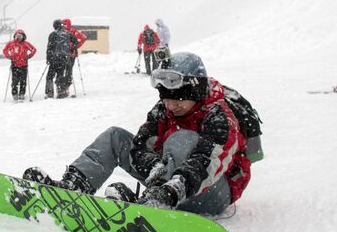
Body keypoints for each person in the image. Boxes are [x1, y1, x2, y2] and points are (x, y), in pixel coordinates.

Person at [23, 52, 252, 216]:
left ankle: (158, 201)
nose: (171, 105)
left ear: (196, 92)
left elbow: (207, 162)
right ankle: (74, 185)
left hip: (211, 194)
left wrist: (172, 189)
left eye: (178, 99)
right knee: (116, 137)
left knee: (182, 140)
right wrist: (156, 170)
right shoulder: (164, 109)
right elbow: (140, 146)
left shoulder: (220, 116)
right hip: (165, 186)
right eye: (166, 97)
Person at [45, 19, 78, 99]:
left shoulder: (53, 34)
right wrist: (72, 49)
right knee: (60, 75)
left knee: (50, 76)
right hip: (64, 58)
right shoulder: (68, 33)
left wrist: (48, 58)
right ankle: (61, 93)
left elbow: (49, 47)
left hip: (54, 58)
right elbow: (76, 41)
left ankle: (50, 94)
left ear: (54, 26)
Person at [2, 29, 37, 101]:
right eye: (17, 36)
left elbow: (34, 49)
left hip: (24, 65)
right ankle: (15, 95)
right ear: (15, 36)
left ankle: (22, 94)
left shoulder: (26, 44)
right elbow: (5, 50)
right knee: (14, 81)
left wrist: (29, 56)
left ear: (23, 36)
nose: (19, 37)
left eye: (20, 36)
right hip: (14, 65)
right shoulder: (11, 43)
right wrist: (9, 56)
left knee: (23, 81)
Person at [61, 19, 87, 97]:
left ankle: (66, 87)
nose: (63, 26)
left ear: (68, 24)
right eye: (62, 24)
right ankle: (62, 87)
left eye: (65, 24)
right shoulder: (61, 32)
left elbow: (83, 38)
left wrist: (76, 46)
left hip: (71, 55)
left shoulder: (74, 31)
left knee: (68, 71)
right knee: (61, 70)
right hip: (62, 55)